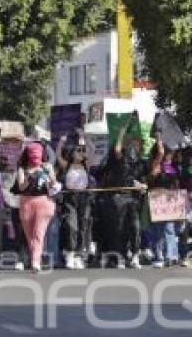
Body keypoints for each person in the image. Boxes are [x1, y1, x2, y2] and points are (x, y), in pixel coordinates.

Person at [101, 113, 147, 269]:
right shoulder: (119, 158)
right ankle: (119, 257)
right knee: (119, 228)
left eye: (135, 142)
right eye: (130, 141)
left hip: (133, 198)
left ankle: (135, 255)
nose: (133, 143)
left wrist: (142, 185)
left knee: (135, 226)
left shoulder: (138, 162)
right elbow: (117, 148)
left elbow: (139, 179)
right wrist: (122, 130)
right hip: (118, 197)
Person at [13, 142, 61, 272]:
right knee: (30, 236)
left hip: (44, 202)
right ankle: (36, 258)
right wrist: (31, 177)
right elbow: (21, 187)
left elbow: (54, 184)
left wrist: (49, 174)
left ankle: (35, 262)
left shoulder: (47, 166)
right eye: (32, 153)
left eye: (38, 153)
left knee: (38, 233)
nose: (35, 155)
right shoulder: (22, 169)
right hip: (26, 203)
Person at [56, 134, 93, 269]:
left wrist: (85, 138)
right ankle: (70, 253)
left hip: (84, 197)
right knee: (72, 225)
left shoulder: (86, 165)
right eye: (78, 150)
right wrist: (61, 142)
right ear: (72, 153)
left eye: (82, 151)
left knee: (83, 226)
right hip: (70, 198)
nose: (81, 153)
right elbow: (58, 155)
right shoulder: (67, 165)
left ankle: (78, 255)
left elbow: (92, 150)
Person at [148, 135, 183, 267]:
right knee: (157, 230)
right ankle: (158, 256)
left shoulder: (173, 167)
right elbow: (153, 177)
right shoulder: (156, 165)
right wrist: (159, 140)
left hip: (170, 201)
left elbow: (176, 183)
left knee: (170, 228)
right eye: (168, 153)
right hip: (157, 199)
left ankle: (171, 255)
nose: (170, 155)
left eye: (171, 153)